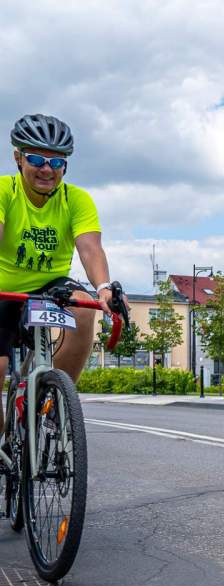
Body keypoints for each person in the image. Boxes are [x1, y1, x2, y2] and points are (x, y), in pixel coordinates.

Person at [0, 113, 125, 428]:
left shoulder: (76, 199)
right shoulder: (5, 191)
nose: (46, 169)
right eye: (37, 159)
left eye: (56, 163)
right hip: (4, 288)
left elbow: (90, 248)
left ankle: (55, 401)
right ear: (18, 158)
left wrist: (105, 289)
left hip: (49, 287)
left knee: (84, 307)